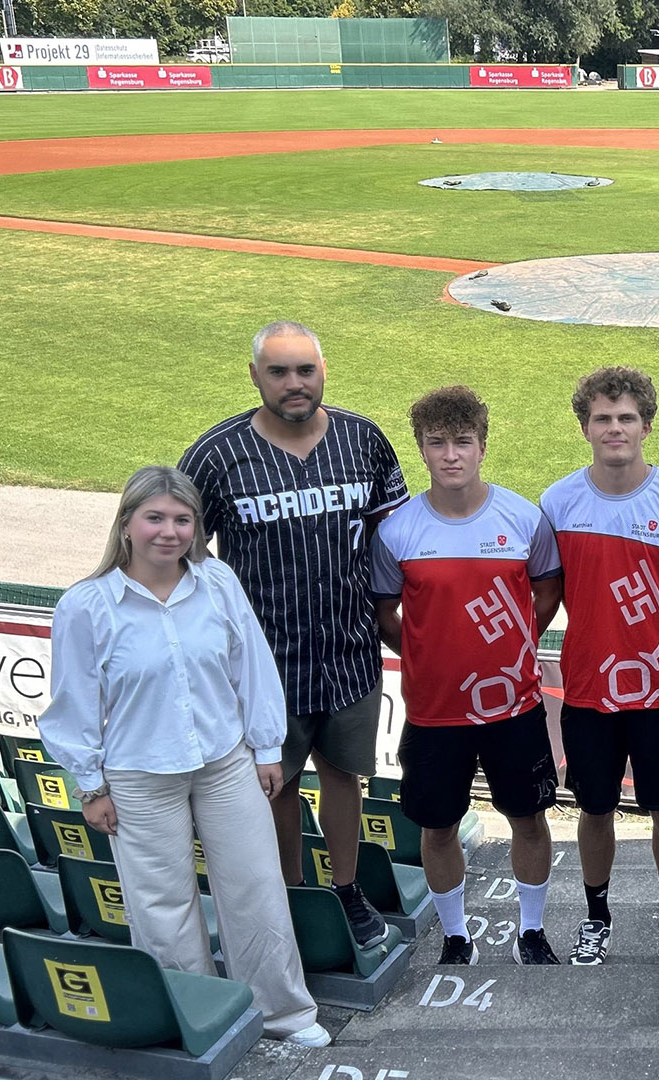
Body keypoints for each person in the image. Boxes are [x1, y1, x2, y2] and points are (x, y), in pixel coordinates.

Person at [41, 466, 330, 1047]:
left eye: (182, 519)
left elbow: (251, 666)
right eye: (155, 518)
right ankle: (199, 1017)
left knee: (256, 887)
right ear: (126, 525)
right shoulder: (86, 605)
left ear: (196, 527)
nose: (168, 532)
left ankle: (284, 1014)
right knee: (161, 909)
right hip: (138, 779)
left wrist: (267, 748)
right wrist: (90, 786)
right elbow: (73, 702)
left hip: (226, 764)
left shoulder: (218, 581)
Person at [179, 321, 410, 950]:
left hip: (349, 647)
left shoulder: (364, 440)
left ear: (323, 370)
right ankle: (288, 894)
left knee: (343, 776)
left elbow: (397, 542)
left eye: (305, 369)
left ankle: (345, 889)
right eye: (278, 371)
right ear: (255, 376)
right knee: (273, 783)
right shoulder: (216, 454)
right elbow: (180, 553)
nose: (294, 383)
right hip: (264, 660)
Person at [372, 386, 564, 966]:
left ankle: (532, 932)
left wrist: (511, 641)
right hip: (435, 714)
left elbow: (547, 591)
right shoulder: (397, 531)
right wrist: (430, 654)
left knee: (528, 819)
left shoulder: (524, 518)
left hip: (515, 708)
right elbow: (384, 613)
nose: (450, 455)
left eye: (462, 442)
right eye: (437, 444)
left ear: (483, 447)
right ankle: (457, 937)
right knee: (438, 827)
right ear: (422, 451)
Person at [540, 367, 659, 966]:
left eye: (625, 418)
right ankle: (597, 917)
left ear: (646, 424)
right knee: (593, 809)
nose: (614, 428)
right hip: (590, 690)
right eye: (602, 418)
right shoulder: (557, 502)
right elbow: (550, 588)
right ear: (584, 427)